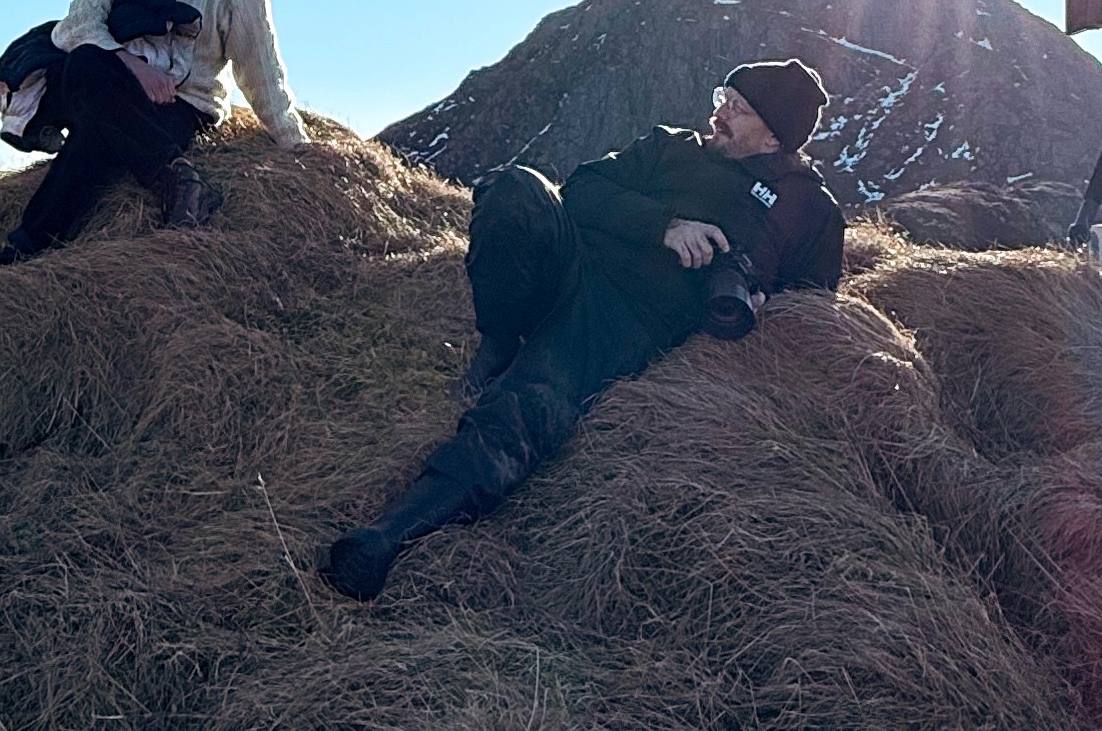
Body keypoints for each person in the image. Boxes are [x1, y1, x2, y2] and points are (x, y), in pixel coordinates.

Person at [321, 59, 843, 600]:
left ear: (773, 137)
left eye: (739, 108)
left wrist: (760, 302)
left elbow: (815, 306)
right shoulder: (669, 145)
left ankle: (384, 540)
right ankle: (500, 339)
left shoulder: (811, 210)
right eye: (724, 97)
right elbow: (583, 188)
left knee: (527, 407)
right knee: (516, 188)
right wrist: (665, 227)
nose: (720, 114)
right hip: (572, 259)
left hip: (626, 317)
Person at [0, 0, 307, 261]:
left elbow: (258, 62)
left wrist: (294, 143)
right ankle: (177, 180)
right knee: (83, 63)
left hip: (181, 106)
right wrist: (135, 67)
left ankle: (25, 246)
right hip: (114, 88)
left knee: (93, 138)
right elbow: (76, 26)